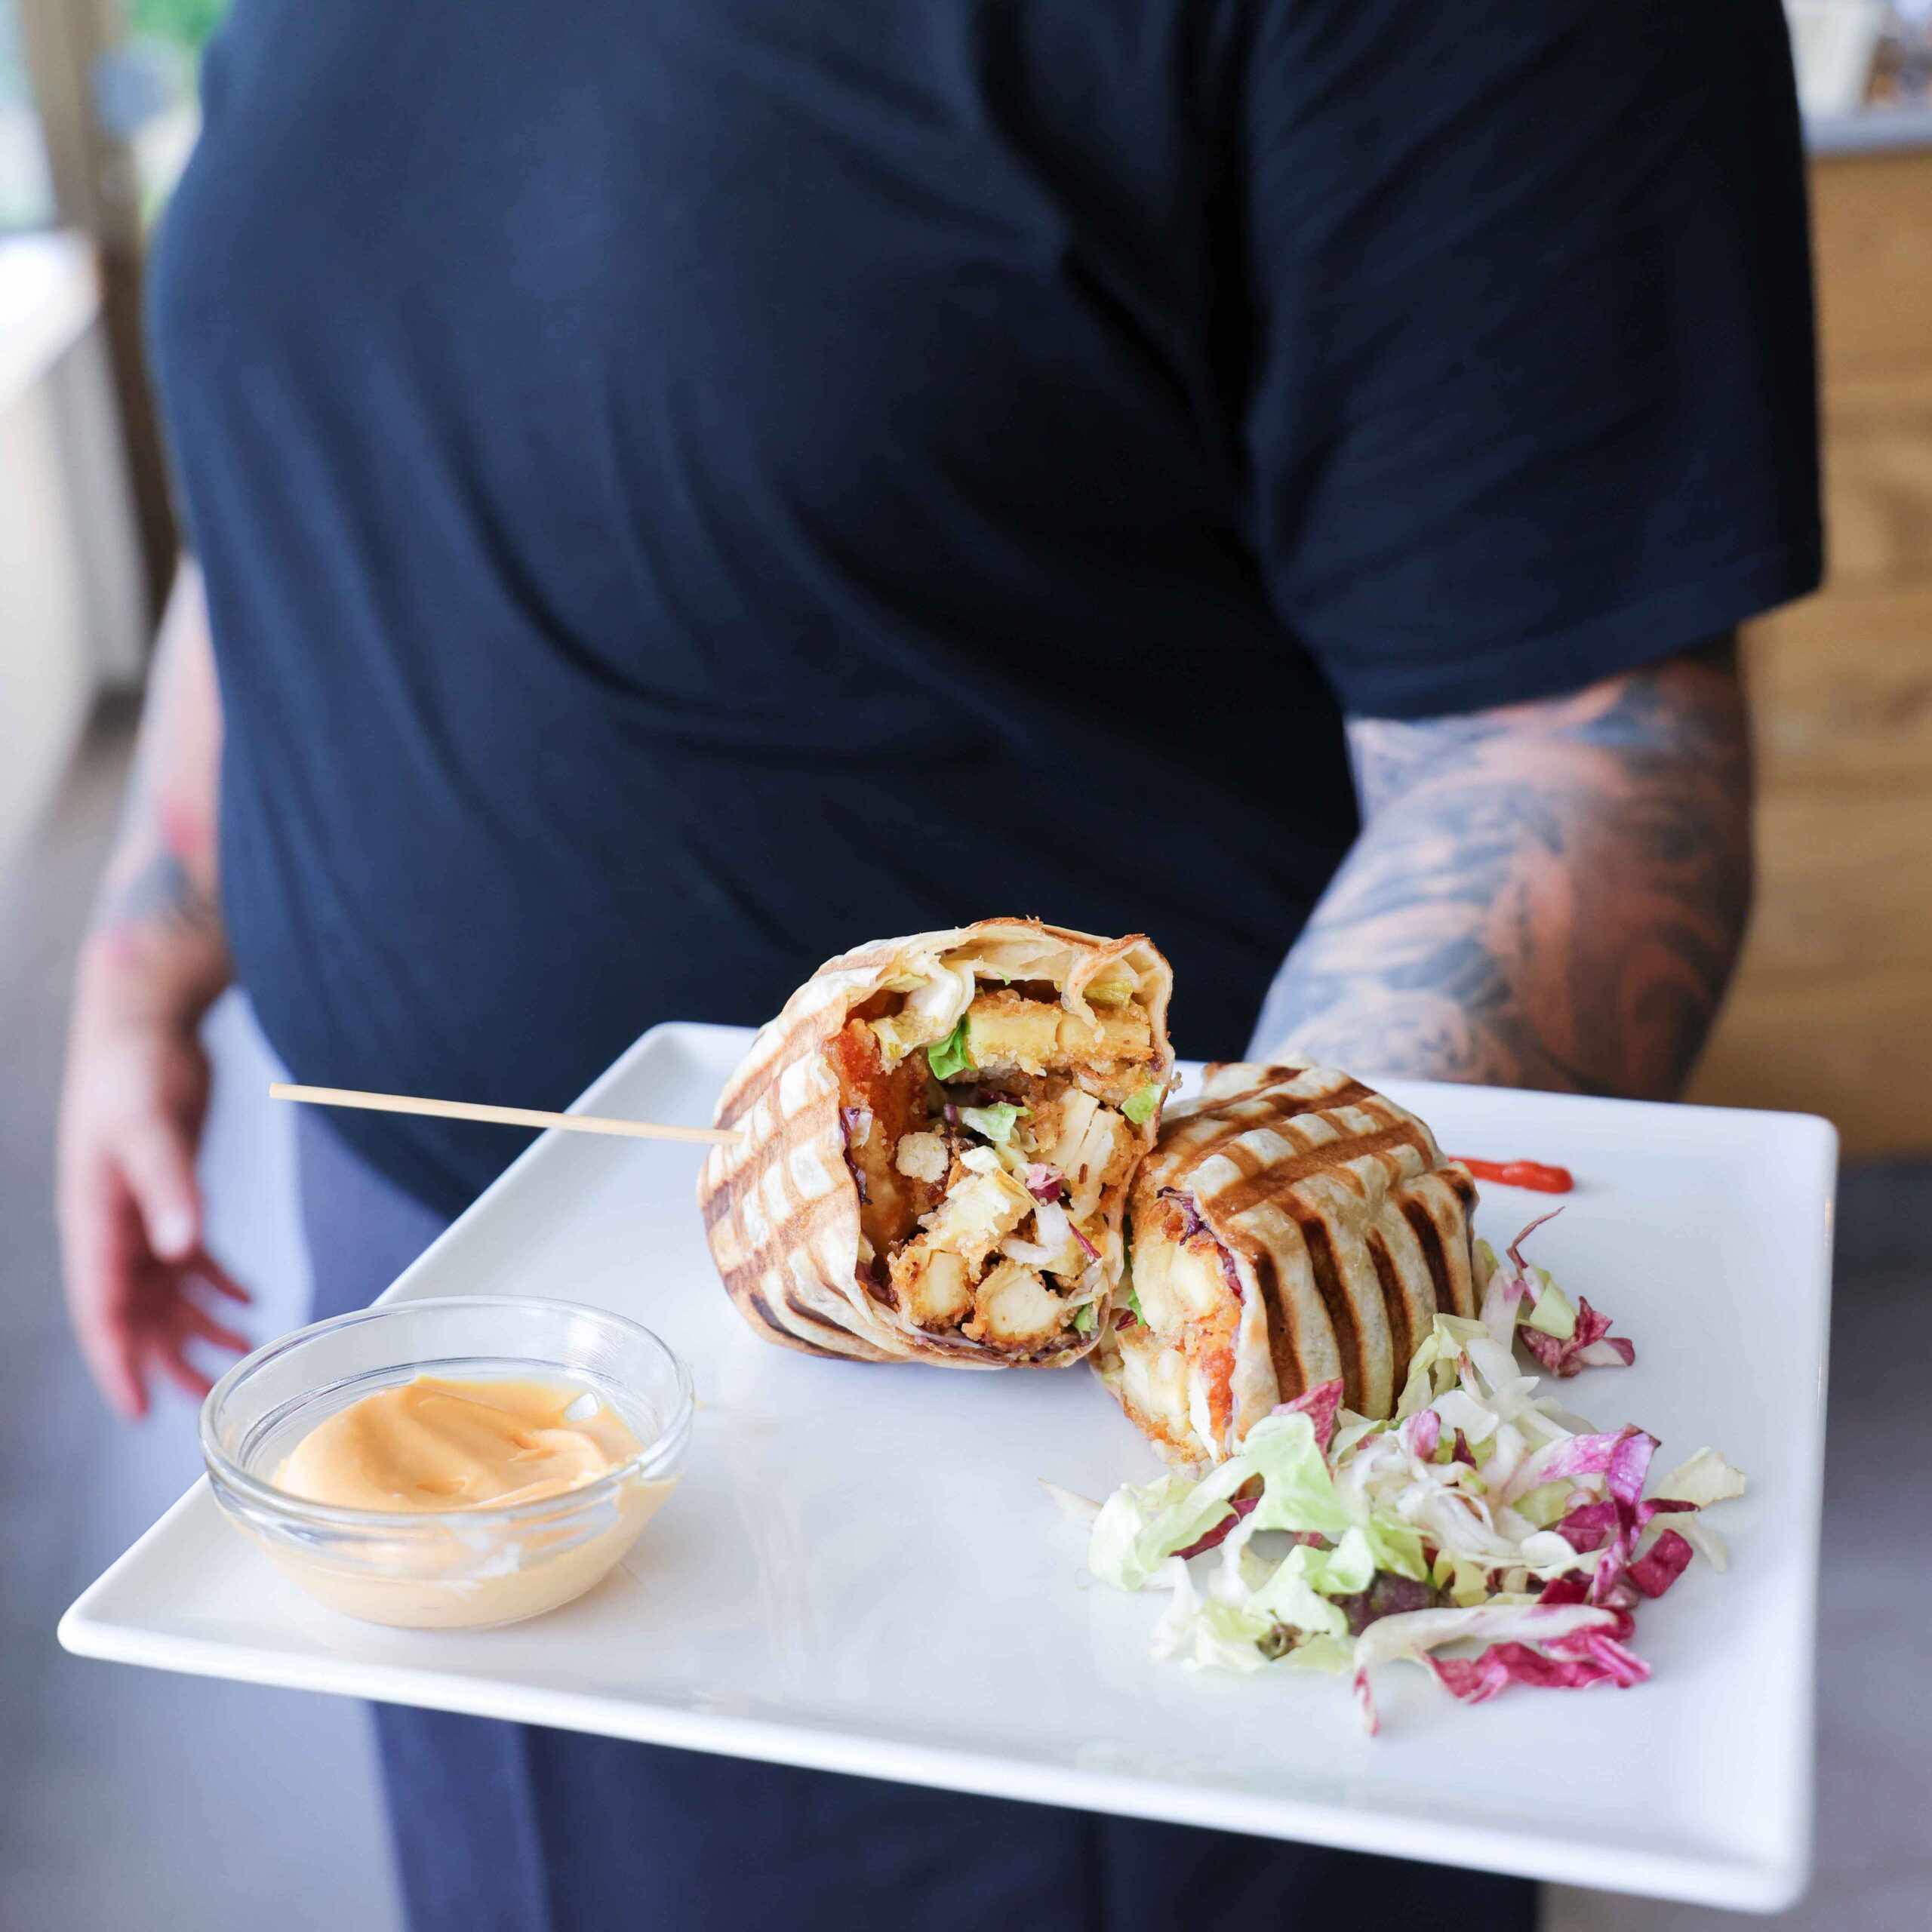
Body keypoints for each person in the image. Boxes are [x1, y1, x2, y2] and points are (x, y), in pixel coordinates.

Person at [57, 2, 1817, 1928]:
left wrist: (1255, 1316)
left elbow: (1564, 734)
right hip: (425, 1311)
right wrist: (154, 934)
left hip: (1014, 1525)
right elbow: (302, 447)